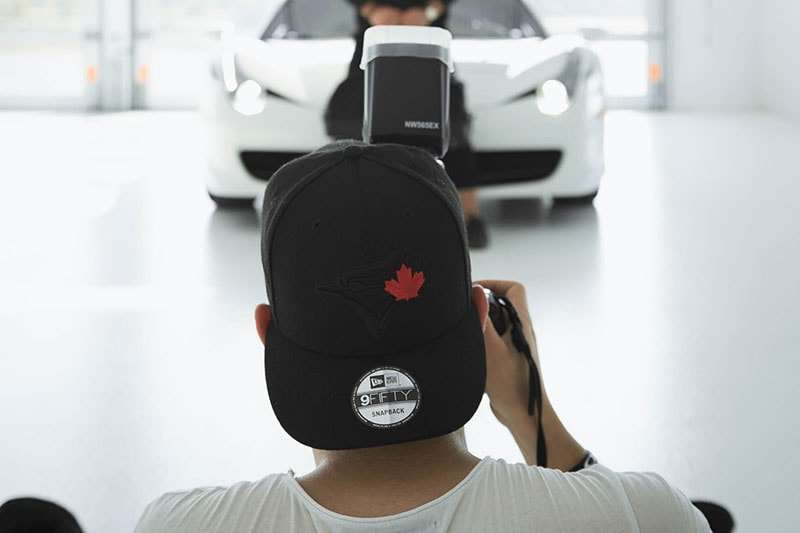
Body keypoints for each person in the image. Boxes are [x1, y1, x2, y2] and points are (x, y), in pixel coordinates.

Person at [134, 140, 726, 532]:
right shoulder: (643, 516)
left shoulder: (176, 525)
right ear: (480, 314)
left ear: (267, 331)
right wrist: (531, 414)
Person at [325, 0, 489, 248]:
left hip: (430, 40)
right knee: (359, 130)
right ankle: (356, 216)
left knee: (451, 129)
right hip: (374, 40)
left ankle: (469, 218)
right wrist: (371, 10)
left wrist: (429, 11)